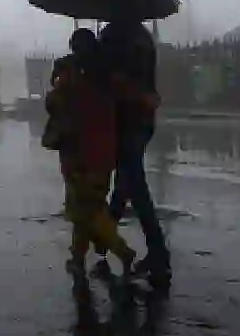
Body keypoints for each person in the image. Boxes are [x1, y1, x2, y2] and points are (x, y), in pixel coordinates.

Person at [46, 29, 136, 272]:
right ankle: (77, 258)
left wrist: (59, 77)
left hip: (78, 152)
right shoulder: (109, 74)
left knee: (88, 208)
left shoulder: (71, 74)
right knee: (85, 206)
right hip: (104, 150)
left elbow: (54, 103)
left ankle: (122, 251)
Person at [98, 18, 169, 278]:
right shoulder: (142, 36)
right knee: (126, 180)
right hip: (142, 118)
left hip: (126, 118)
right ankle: (104, 240)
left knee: (134, 184)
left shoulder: (114, 36)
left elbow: (108, 77)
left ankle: (158, 251)